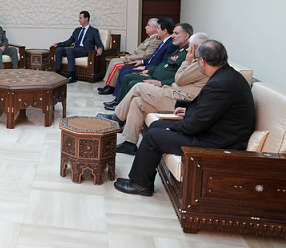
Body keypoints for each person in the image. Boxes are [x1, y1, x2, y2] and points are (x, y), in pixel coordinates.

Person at [114, 40, 255, 196]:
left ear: (202, 61)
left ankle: (140, 184)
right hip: (217, 131)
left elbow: (196, 125)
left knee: (154, 136)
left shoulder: (221, 83)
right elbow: (214, 111)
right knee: (156, 126)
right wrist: (188, 111)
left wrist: (172, 127)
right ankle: (141, 178)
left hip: (219, 142)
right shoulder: (229, 75)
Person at [98, 32, 210, 155]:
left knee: (139, 87)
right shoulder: (197, 61)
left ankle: (117, 118)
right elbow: (184, 81)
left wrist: (187, 61)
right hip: (174, 92)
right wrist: (170, 85)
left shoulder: (200, 63)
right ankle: (129, 144)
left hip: (182, 100)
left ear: (195, 48)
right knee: (137, 102)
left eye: (190, 46)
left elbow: (179, 78)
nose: (188, 49)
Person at [104, 22, 193, 110]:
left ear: (186, 36)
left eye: (176, 33)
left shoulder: (188, 54)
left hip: (161, 80)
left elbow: (180, 76)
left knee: (132, 82)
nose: (172, 35)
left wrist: (161, 82)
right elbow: (164, 65)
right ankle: (119, 103)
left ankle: (122, 108)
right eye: (173, 33)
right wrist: (150, 70)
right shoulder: (178, 49)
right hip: (154, 74)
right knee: (127, 77)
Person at [106, 17, 177, 102]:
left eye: (158, 28)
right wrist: (142, 62)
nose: (156, 31)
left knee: (126, 73)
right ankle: (118, 98)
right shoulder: (164, 41)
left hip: (152, 71)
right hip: (148, 65)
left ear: (164, 31)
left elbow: (162, 64)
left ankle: (120, 100)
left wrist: (146, 68)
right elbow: (153, 57)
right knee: (124, 69)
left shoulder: (170, 44)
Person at [97, 18, 162, 95]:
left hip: (138, 61)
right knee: (113, 60)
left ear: (155, 28)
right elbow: (140, 51)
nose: (145, 27)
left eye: (148, 25)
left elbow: (146, 55)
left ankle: (110, 87)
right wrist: (130, 55)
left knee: (116, 65)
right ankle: (109, 85)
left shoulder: (156, 40)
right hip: (134, 58)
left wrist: (131, 58)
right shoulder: (150, 38)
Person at [50, 11, 103, 83]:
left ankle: (72, 75)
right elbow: (69, 41)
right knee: (59, 50)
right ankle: (58, 72)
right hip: (76, 50)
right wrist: (58, 44)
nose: (79, 20)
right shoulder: (77, 30)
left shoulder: (94, 31)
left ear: (86, 19)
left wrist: (100, 48)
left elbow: (98, 42)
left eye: (80, 18)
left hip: (85, 50)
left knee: (69, 50)